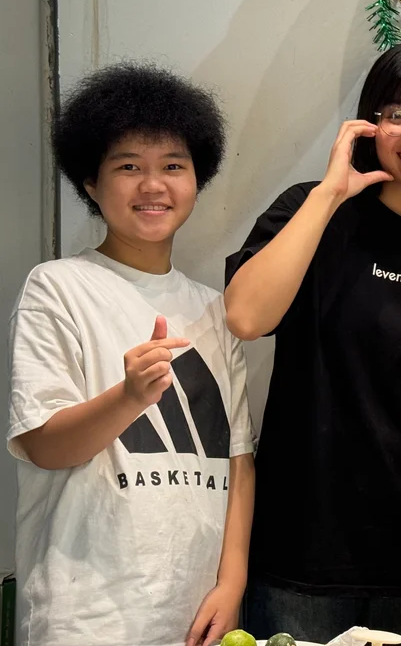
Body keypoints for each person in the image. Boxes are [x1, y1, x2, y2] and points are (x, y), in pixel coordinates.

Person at [223, 41, 401, 643]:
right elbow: (244, 317)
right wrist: (329, 193)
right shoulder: (309, 210)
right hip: (298, 549)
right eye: (397, 114)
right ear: (367, 124)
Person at [7, 63, 254, 646]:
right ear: (90, 183)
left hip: (195, 613)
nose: (153, 185)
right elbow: (43, 443)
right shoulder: (58, 286)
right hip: (86, 614)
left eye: (173, 166)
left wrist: (233, 581)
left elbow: (239, 457)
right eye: (128, 167)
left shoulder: (217, 311)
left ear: (197, 179)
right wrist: (129, 397)